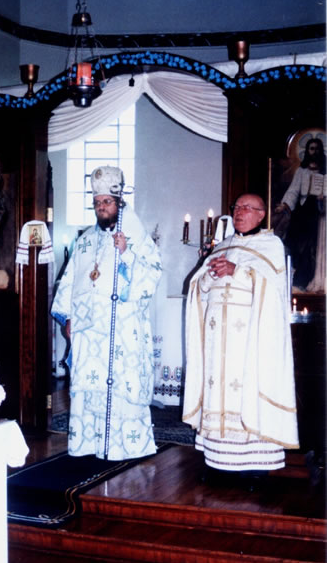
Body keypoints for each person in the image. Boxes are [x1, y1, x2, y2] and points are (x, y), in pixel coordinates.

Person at [183, 193, 299, 484]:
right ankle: (217, 463)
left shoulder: (271, 246)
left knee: (246, 392)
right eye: (237, 207)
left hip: (249, 340)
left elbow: (274, 291)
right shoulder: (222, 246)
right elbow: (200, 287)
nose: (240, 212)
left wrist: (238, 271)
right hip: (217, 339)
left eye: (248, 208)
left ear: (261, 215)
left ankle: (252, 467)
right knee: (217, 392)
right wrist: (208, 277)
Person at [51, 166, 162, 461]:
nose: (101, 207)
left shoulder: (136, 236)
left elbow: (152, 276)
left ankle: (125, 447)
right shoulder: (86, 240)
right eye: (97, 202)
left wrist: (126, 254)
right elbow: (70, 280)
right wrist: (68, 318)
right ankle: (88, 443)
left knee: (121, 386)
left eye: (107, 202)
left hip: (122, 329)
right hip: (89, 332)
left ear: (119, 202)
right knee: (90, 385)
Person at [275, 137, 326, 291]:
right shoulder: (302, 171)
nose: (314, 152)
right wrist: (285, 204)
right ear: (307, 151)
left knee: (312, 248)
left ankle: (306, 280)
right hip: (303, 211)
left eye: (317, 149)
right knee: (297, 245)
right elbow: (294, 190)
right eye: (311, 148)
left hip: (319, 212)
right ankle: (297, 279)